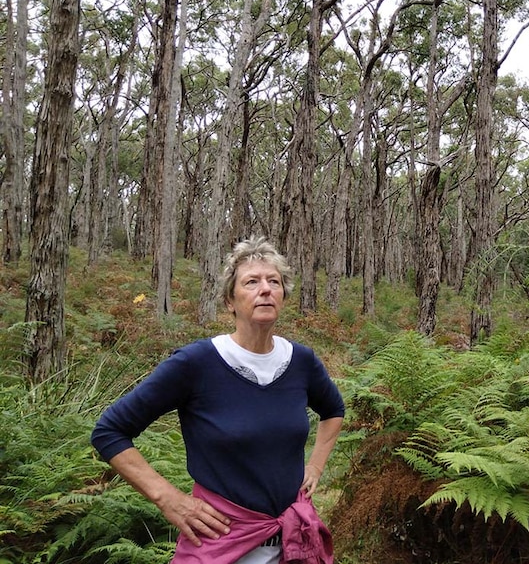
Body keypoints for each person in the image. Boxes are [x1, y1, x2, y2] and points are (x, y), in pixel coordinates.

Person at [91, 236, 345, 564]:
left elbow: (333, 409)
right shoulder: (196, 363)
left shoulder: (301, 362)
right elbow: (109, 431)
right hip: (222, 545)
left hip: (293, 542)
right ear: (230, 300)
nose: (265, 289)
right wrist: (168, 498)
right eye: (251, 282)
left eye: (274, 282)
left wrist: (316, 465)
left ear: (283, 295)